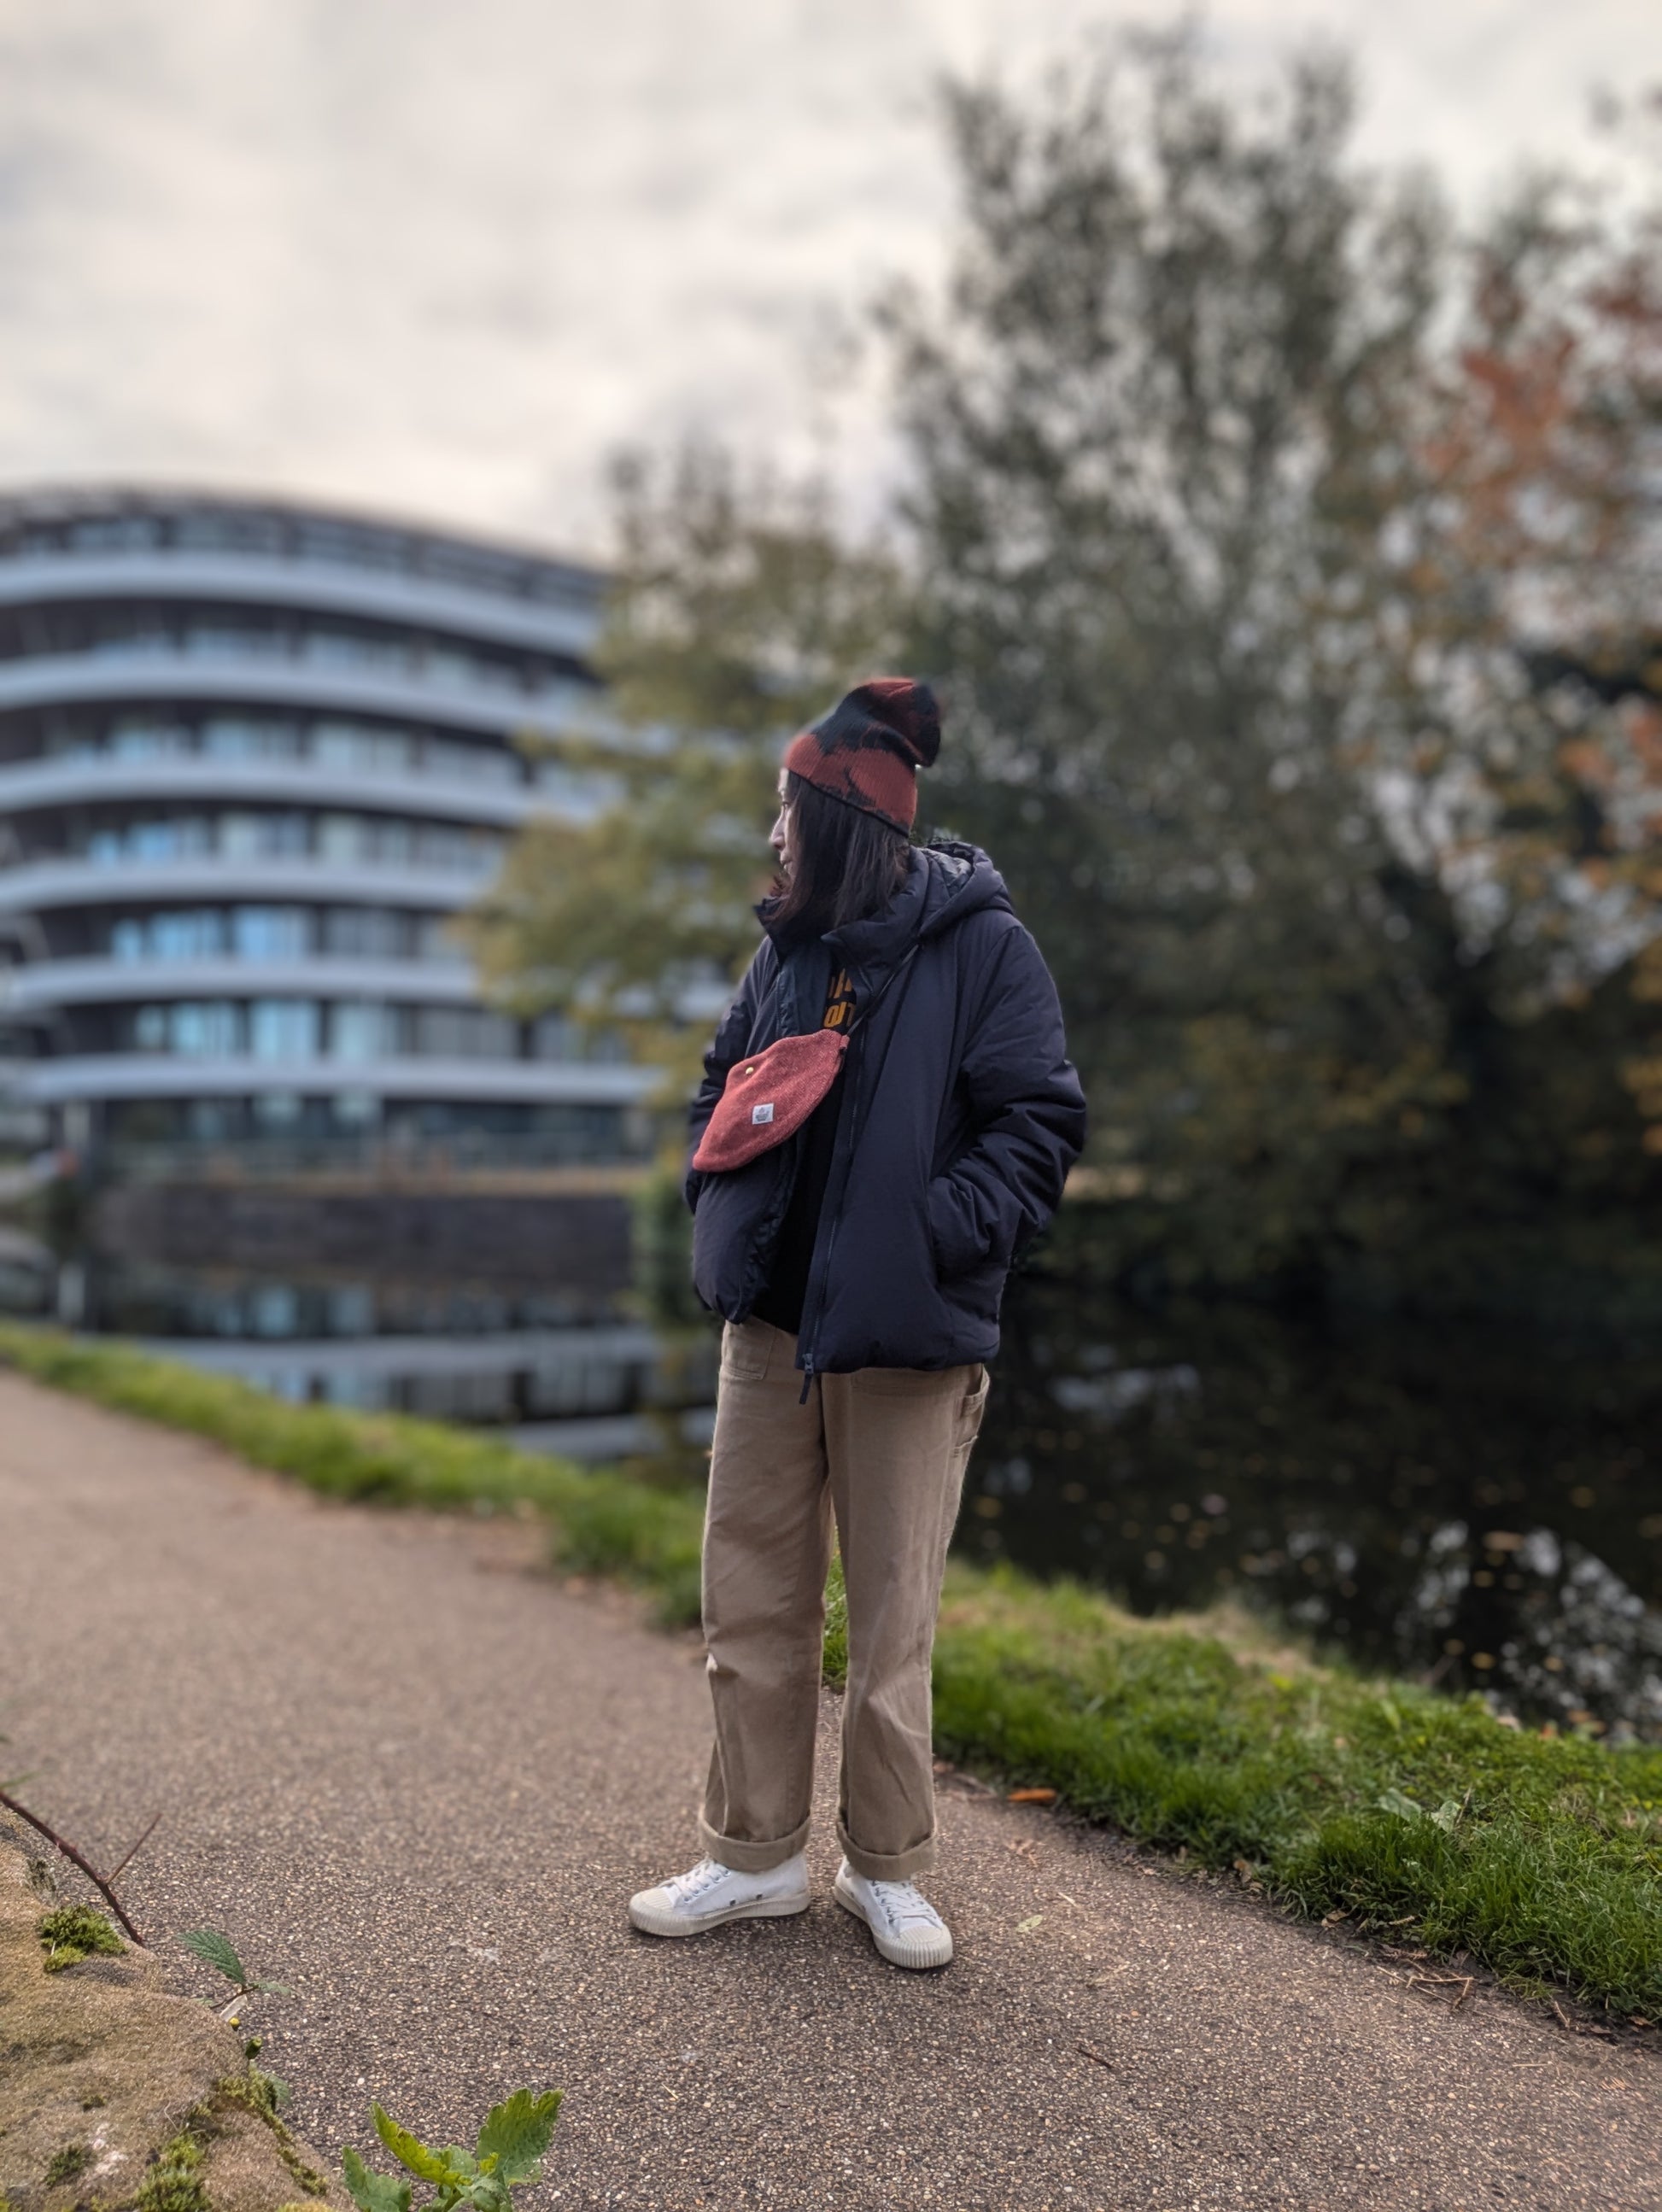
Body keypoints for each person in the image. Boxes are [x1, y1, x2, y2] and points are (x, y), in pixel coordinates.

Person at [628, 678, 1086, 1969]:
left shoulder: (985, 946)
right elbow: (718, 1082)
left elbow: (1038, 1124)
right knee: (749, 1601)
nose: (771, 834)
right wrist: (714, 1191)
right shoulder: (786, 948)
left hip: (907, 1344)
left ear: (835, 814)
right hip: (766, 1335)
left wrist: (926, 1233)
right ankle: (752, 1856)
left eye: (784, 809)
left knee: (892, 1623)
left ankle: (887, 1866)